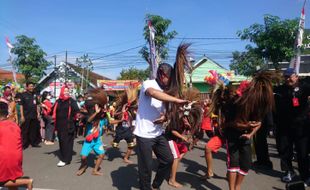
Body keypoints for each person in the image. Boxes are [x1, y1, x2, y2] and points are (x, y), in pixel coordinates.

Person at [133, 63, 188, 190]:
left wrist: (166, 117)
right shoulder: (148, 83)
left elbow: (166, 112)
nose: (171, 81)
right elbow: (153, 93)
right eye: (169, 77)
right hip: (144, 134)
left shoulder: (167, 90)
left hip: (158, 134)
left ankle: (155, 186)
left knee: (168, 159)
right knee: (146, 168)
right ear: (161, 74)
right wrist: (176, 100)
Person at [274, 68, 310, 186]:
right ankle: (289, 172)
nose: (288, 79)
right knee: (285, 151)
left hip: (301, 126)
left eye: (290, 76)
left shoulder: (304, 87)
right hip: (284, 127)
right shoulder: (280, 90)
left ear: (296, 76)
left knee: (302, 152)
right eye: (286, 77)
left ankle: (305, 177)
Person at [0, 102, 33, 190]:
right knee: (13, 179)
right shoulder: (14, 125)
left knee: (3, 181)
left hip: (4, 157)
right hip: (17, 155)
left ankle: (27, 182)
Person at [52, 85, 79, 167]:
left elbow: (77, 111)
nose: (66, 92)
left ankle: (65, 159)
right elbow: (52, 110)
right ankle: (67, 158)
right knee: (63, 142)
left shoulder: (71, 101)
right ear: (62, 91)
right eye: (65, 90)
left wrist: (78, 115)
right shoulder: (58, 101)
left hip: (69, 125)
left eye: (68, 91)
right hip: (60, 125)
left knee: (66, 142)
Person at [20, 82, 41, 149]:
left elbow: (37, 105)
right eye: (30, 86)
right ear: (27, 87)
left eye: (32, 86)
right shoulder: (23, 95)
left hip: (34, 115)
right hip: (26, 116)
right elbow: (21, 106)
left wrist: (38, 114)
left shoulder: (35, 95)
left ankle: (33, 143)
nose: (32, 87)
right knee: (25, 131)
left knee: (33, 130)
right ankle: (24, 144)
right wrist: (22, 116)